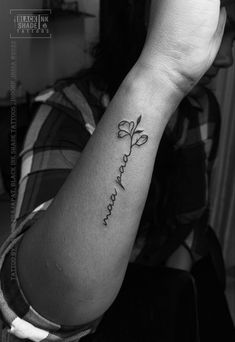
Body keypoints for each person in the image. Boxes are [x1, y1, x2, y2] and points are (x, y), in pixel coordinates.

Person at [0, 0, 227, 341]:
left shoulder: (203, 109)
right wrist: (162, 75)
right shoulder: (66, 114)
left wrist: (174, 283)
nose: (226, 57)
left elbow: (193, 216)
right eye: (221, 26)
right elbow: (43, 306)